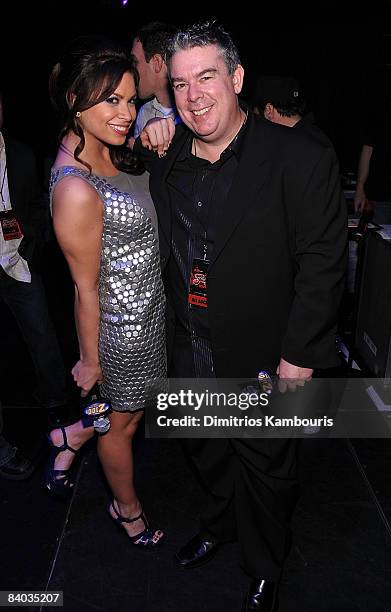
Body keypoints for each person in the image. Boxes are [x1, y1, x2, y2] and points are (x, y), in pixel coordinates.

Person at [136, 19, 347, 610]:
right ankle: (222, 523)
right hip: (188, 344)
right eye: (179, 84)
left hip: (263, 350)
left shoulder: (298, 155)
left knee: (266, 465)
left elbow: (323, 264)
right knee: (206, 449)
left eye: (207, 77)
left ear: (236, 77)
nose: (194, 95)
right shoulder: (166, 150)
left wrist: (300, 358)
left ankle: (264, 562)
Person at [47, 38, 166, 547]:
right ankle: (127, 510)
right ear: (75, 100)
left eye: (130, 98)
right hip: (123, 333)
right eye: (111, 101)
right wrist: (91, 362)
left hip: (150, 313)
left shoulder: (112, 150)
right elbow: (84, 288)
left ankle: (70, 436)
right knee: (123, 427)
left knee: (121, 418)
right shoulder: (76, 187)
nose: (126, 113)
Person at [0, 89, 69, 479]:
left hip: (17, 260)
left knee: (41, 334)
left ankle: (57, 405)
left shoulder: (22, 154)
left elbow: (42, 203)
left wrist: (31, 244)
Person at [131, 22, 179, 142]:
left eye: (135, 62)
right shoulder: (144, 113)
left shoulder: (193, 110)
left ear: (156, 62)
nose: (132, 70)